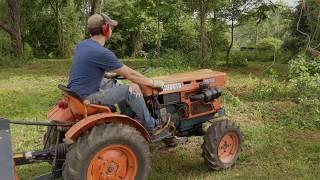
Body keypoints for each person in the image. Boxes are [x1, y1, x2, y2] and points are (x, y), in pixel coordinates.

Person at [67, 13, 169, 134]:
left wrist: (105, 74)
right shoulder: (101, 53)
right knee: (131, 89)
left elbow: (87, 66)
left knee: (114, 83)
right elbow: (130, 75)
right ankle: (152, 125)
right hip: (87, 97)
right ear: (105, 29)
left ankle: (130, 116)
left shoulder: (82, 45)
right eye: (110, 27)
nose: (111, 29)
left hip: (76, 94)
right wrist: (153, 82)